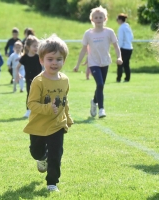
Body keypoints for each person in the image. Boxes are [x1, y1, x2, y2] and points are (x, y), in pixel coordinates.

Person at [23, 34, 73, 192]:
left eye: (59, 59)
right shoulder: (38, 81)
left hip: (57, 124)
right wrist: (46, 108)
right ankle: (41, 158)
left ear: (64, 60)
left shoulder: (64, 80)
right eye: (50, 59)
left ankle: (52, 183)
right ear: (41, 60)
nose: (54, 63)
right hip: (38, 125)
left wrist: (68, 117)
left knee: (56, 153)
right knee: (36, 152)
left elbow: (64, 100)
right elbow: (31, 103)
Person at [74, 5, 123, 118]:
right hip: (93, 63)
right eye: (96, 17)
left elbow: (116, 46)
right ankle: (101, 109)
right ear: (92, 19)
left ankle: (94, 101)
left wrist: (119, 57)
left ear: (105, 19)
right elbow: (83, 50)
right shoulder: (88, 34)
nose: (98, 19)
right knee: (100, 84)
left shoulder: (109, 32)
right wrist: (77, 65)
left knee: (100, 86)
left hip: (105, 62)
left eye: (101, 17)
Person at [16, 35, 42, 118]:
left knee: (40, 95)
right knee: (30, 95)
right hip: (29, 80)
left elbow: (45, 65)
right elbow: (17, 67)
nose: (36, 48)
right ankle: (28, 111)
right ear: (28, 47)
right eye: (34, 46)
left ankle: (40, 110)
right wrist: (18, 74)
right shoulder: (24, 58)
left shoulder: (39, 57)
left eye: (37, 46)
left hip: (39, 80)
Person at [116, 13, 133, 82]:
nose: (117, 21)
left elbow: (121, 39)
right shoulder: (127, 27)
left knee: (120, 64)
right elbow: (131, 37)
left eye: (117, 19)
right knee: (126, 64)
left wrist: (118, 48)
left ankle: (119, 78)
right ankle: (127, 78)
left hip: (123, 48)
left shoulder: (121, 28)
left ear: (120, 20)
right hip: (129, 47)